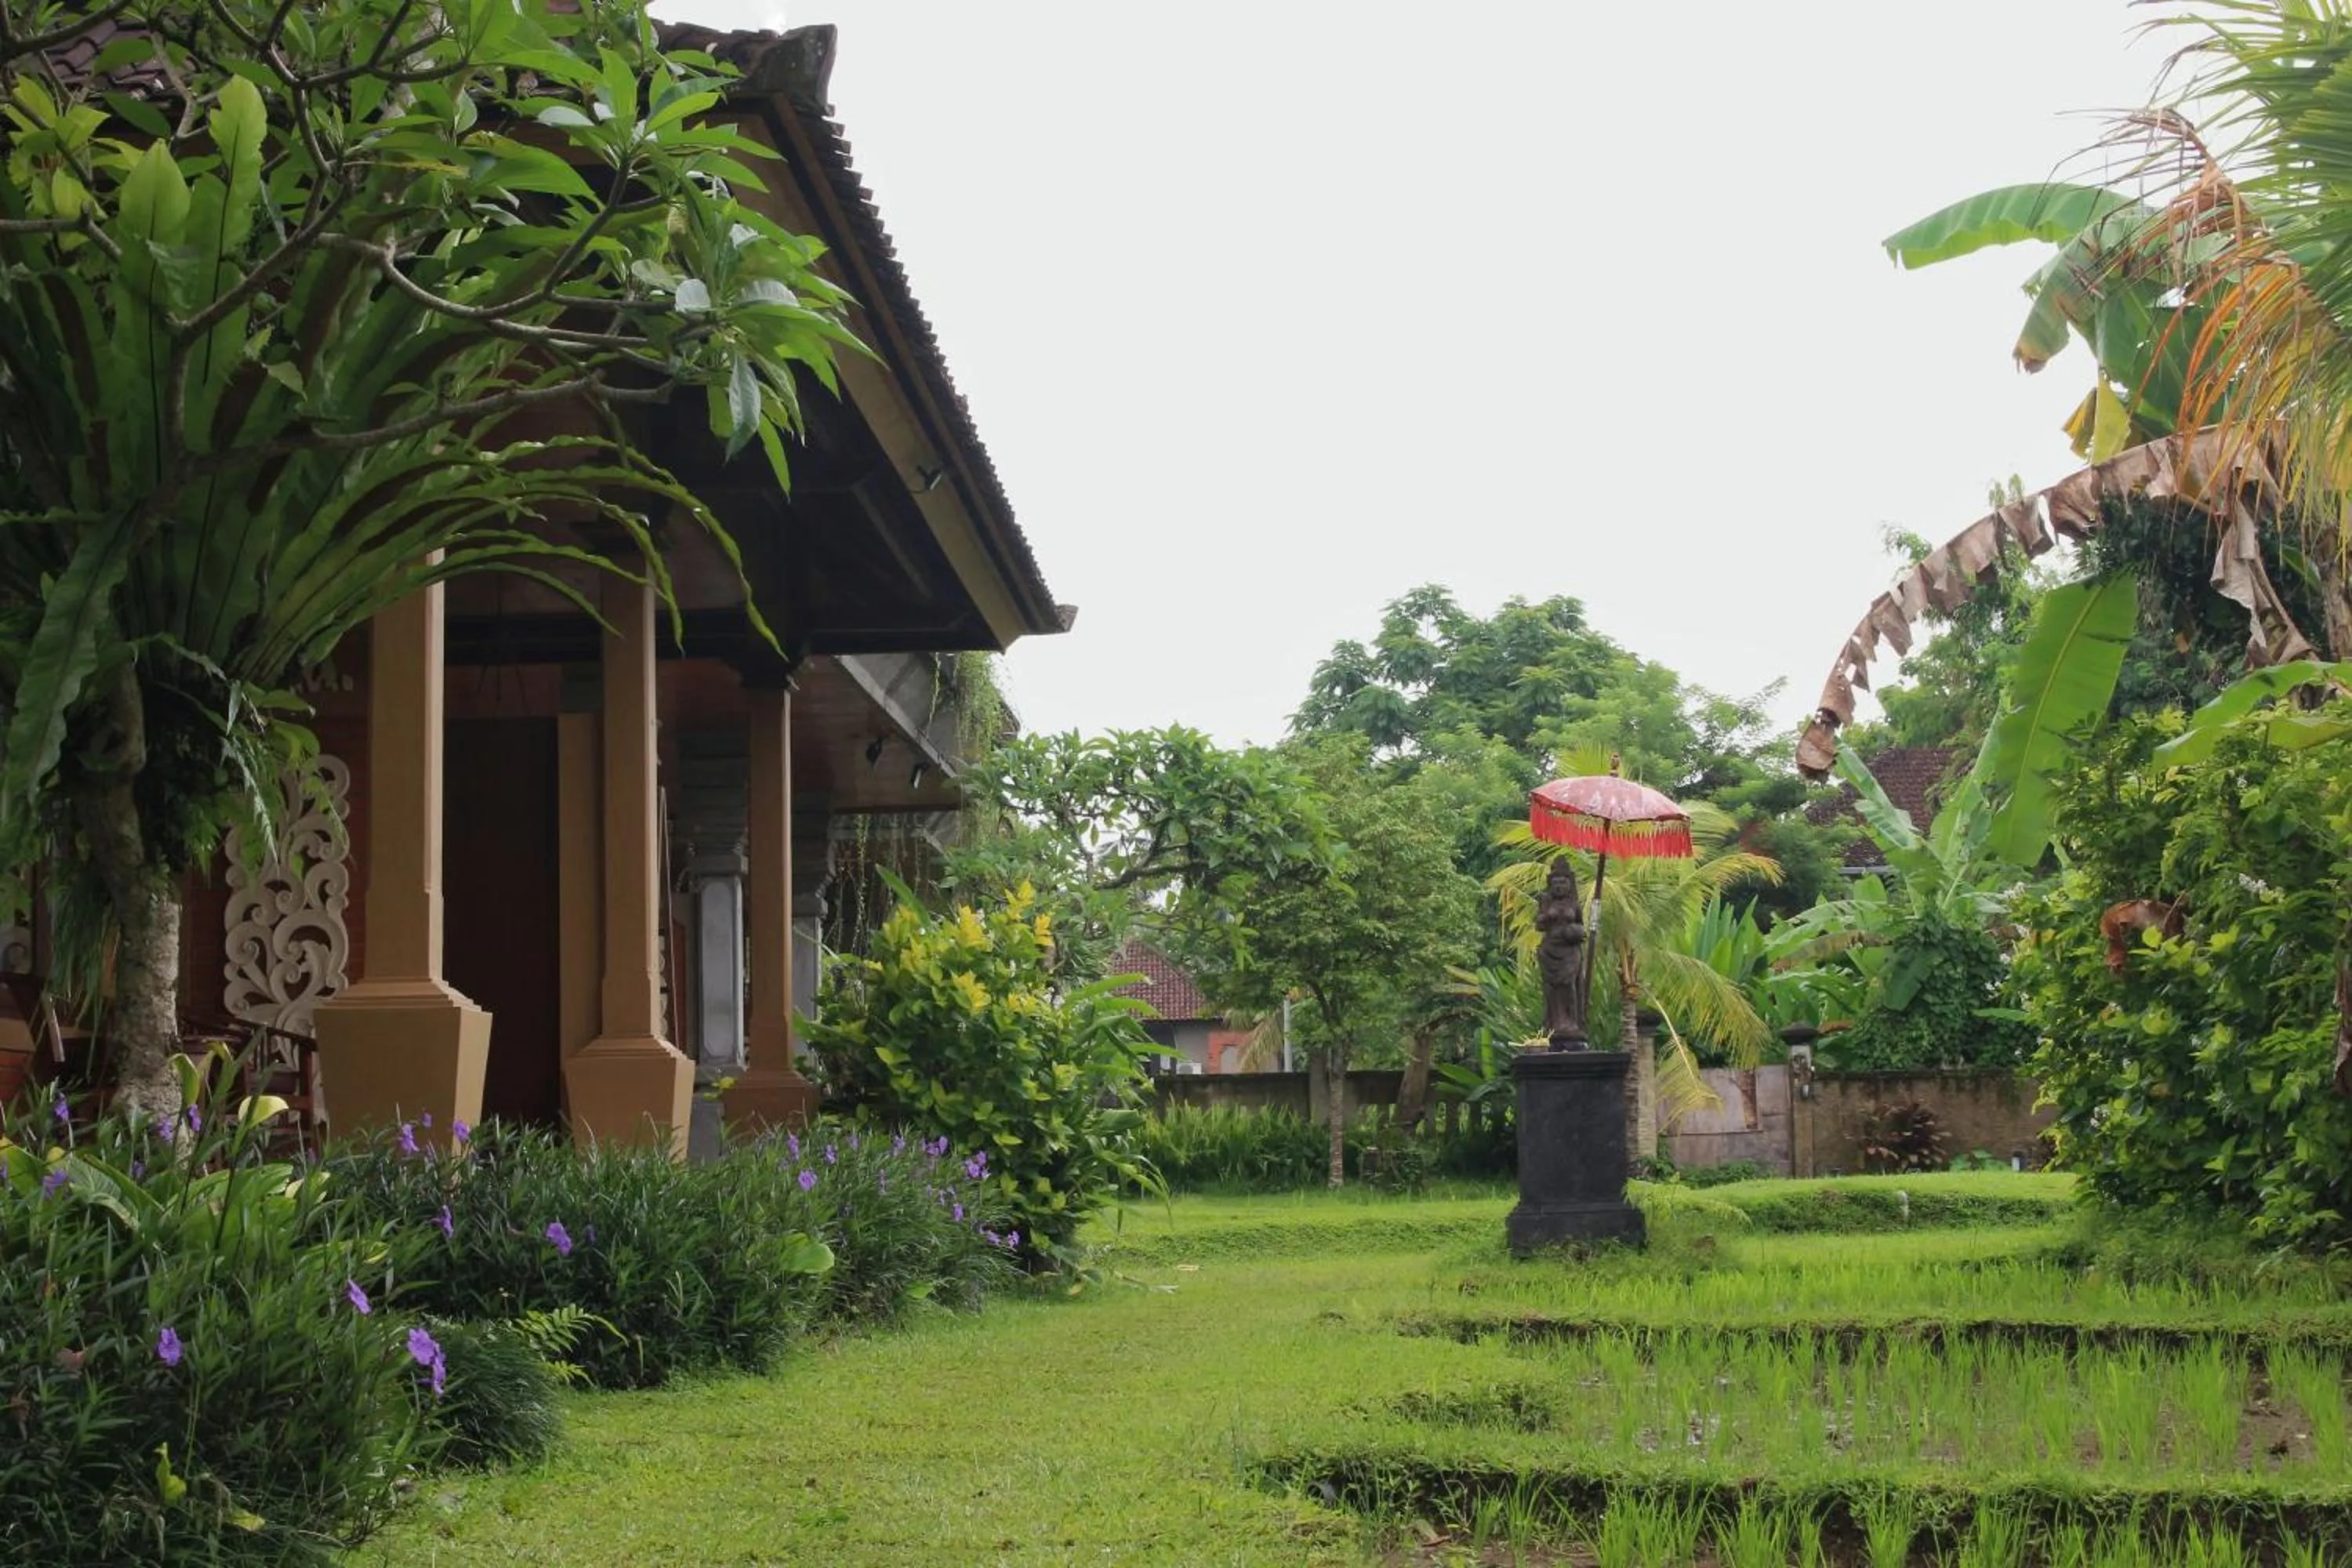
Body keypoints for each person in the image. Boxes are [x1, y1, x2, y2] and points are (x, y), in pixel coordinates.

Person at [1534, 858, 1590, 1049]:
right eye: (1555, 883)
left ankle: (1572, 1022)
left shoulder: (1575, 905)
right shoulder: (1545, 901)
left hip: (1570, 952)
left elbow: (1582, 927)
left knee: (1569, 985)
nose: (1559, 887)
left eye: (1563, 883)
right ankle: (1554, 1023)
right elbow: (1539, 925)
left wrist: (1576, 931)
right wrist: (1545, 916)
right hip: (1550, 950)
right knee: (1552, 989)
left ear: (1569, 884)